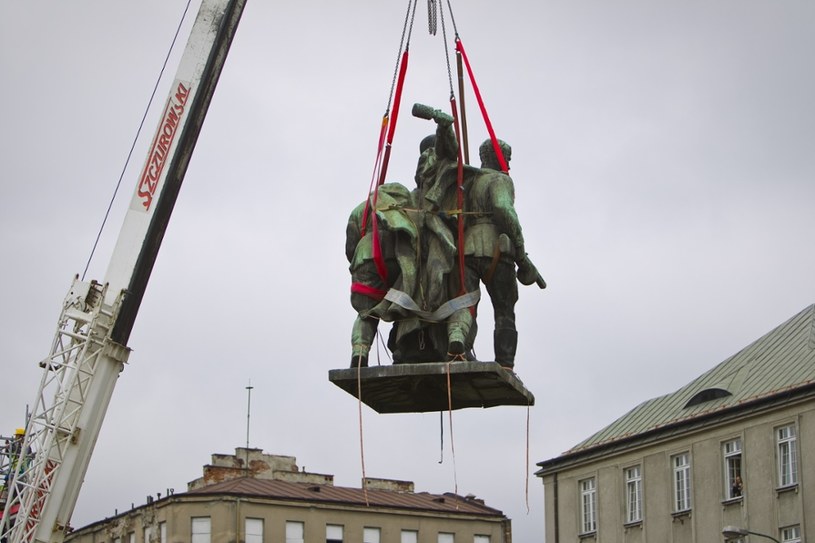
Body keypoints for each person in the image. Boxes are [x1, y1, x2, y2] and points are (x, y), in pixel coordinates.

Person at [461, 138, 544, 369]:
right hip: (496, 249)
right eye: (507, 158)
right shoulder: (501, 180)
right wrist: (521, 252)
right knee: (505, 308)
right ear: (497, 157)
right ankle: (505, 363)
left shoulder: (467, 181)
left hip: (467, 250)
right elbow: (502, 208)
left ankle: (462, 350)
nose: (508, 164)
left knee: (467, 305)